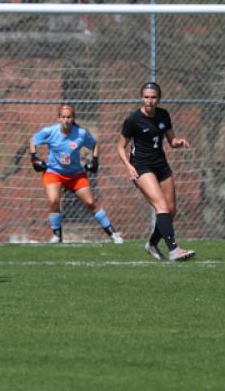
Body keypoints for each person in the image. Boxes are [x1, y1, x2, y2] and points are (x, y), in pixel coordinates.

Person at [117, 82, 195, 261]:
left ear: (159, 99)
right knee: (161, 206)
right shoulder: (133, 120)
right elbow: (120, 147)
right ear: (141, 98)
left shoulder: (163, 115)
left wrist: (178, 142)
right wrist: (129, 166)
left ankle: (152, 244)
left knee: (171, 210)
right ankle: (174, 250)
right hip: (142, 167)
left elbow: (171, 140)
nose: (149, 101)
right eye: (146, 97)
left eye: (153, 97)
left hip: (161, 165)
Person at [30, 103, 123, 244]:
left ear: (73, 118)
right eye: (63, 117)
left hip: (75, 174)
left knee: (91, 203)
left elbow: (95, 144)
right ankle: (57, 235)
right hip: (54, 172)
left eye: (69, 117)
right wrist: (34, 158)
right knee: (54, 200)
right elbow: (33, 140)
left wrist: (95, 160)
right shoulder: (50, 132)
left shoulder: (80, 133)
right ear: (58, 118)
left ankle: (113, 234)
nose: (66, 120)